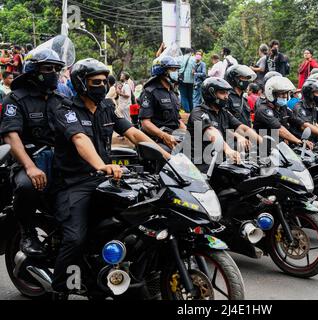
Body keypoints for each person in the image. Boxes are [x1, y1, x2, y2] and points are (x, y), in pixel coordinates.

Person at [50, 58, 170, 297]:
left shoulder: (106, 106)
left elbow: (133, 132)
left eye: (105, 81)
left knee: (138, 216)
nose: (103, 86)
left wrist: (166, 154)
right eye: (96, 82)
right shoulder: (66, 109)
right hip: (74, 182)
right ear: (81, 83)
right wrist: (102, 165)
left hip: (103, 180)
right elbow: (79, 139)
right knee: (76, 238)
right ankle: (60, 288)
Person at [0, 48, 66, 257]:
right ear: (33, 71)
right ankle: (27, 232)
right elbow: (11, 135)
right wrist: (30, 167)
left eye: (56, 69)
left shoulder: (59, 98)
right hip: (28, 160)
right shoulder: (15, 99)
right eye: (48, 69)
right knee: (27, 186)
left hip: (59, 160)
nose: (53, 73)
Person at [187, 77, 261, 171]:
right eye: (222, 93)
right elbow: (211, 132)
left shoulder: (223, 112)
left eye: (227, 93)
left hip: (218, 159)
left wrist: (264, 144)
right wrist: (228, 150)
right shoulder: (198, 112)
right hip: (201, 163)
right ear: (211, 94)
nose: (226, 96)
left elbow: (243, 129)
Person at [139, 56, 187, 152]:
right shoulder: (150, 92)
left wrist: (187, 132)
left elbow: (177, 120)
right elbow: (145, 123)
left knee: (198, 149)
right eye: (173, 70)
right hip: (157, 138)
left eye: (176, 70)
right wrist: (164, 136)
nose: (176, 73)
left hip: (174, 135)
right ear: (162, 72)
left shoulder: (173, 93)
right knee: (173, 155)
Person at [253, 76, 314, 147]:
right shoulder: (263, 110)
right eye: (281, 93)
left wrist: (303, 139)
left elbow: (298, 122)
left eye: (286, 93)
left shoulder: (283, 108)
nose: (285, 96)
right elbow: (279, 129)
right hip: (263, 150)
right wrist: (299, 141)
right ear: (271, 94)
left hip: (280, 148)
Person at [178, 48, 196, 112]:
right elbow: (195, 68)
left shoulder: (180, 58)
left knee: (183, 96)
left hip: (182, 79)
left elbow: (177, 67)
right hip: (191, 80)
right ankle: (192, 112)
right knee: (190, 96)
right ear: (190, 52)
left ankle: (187, 112)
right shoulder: (194, 58)